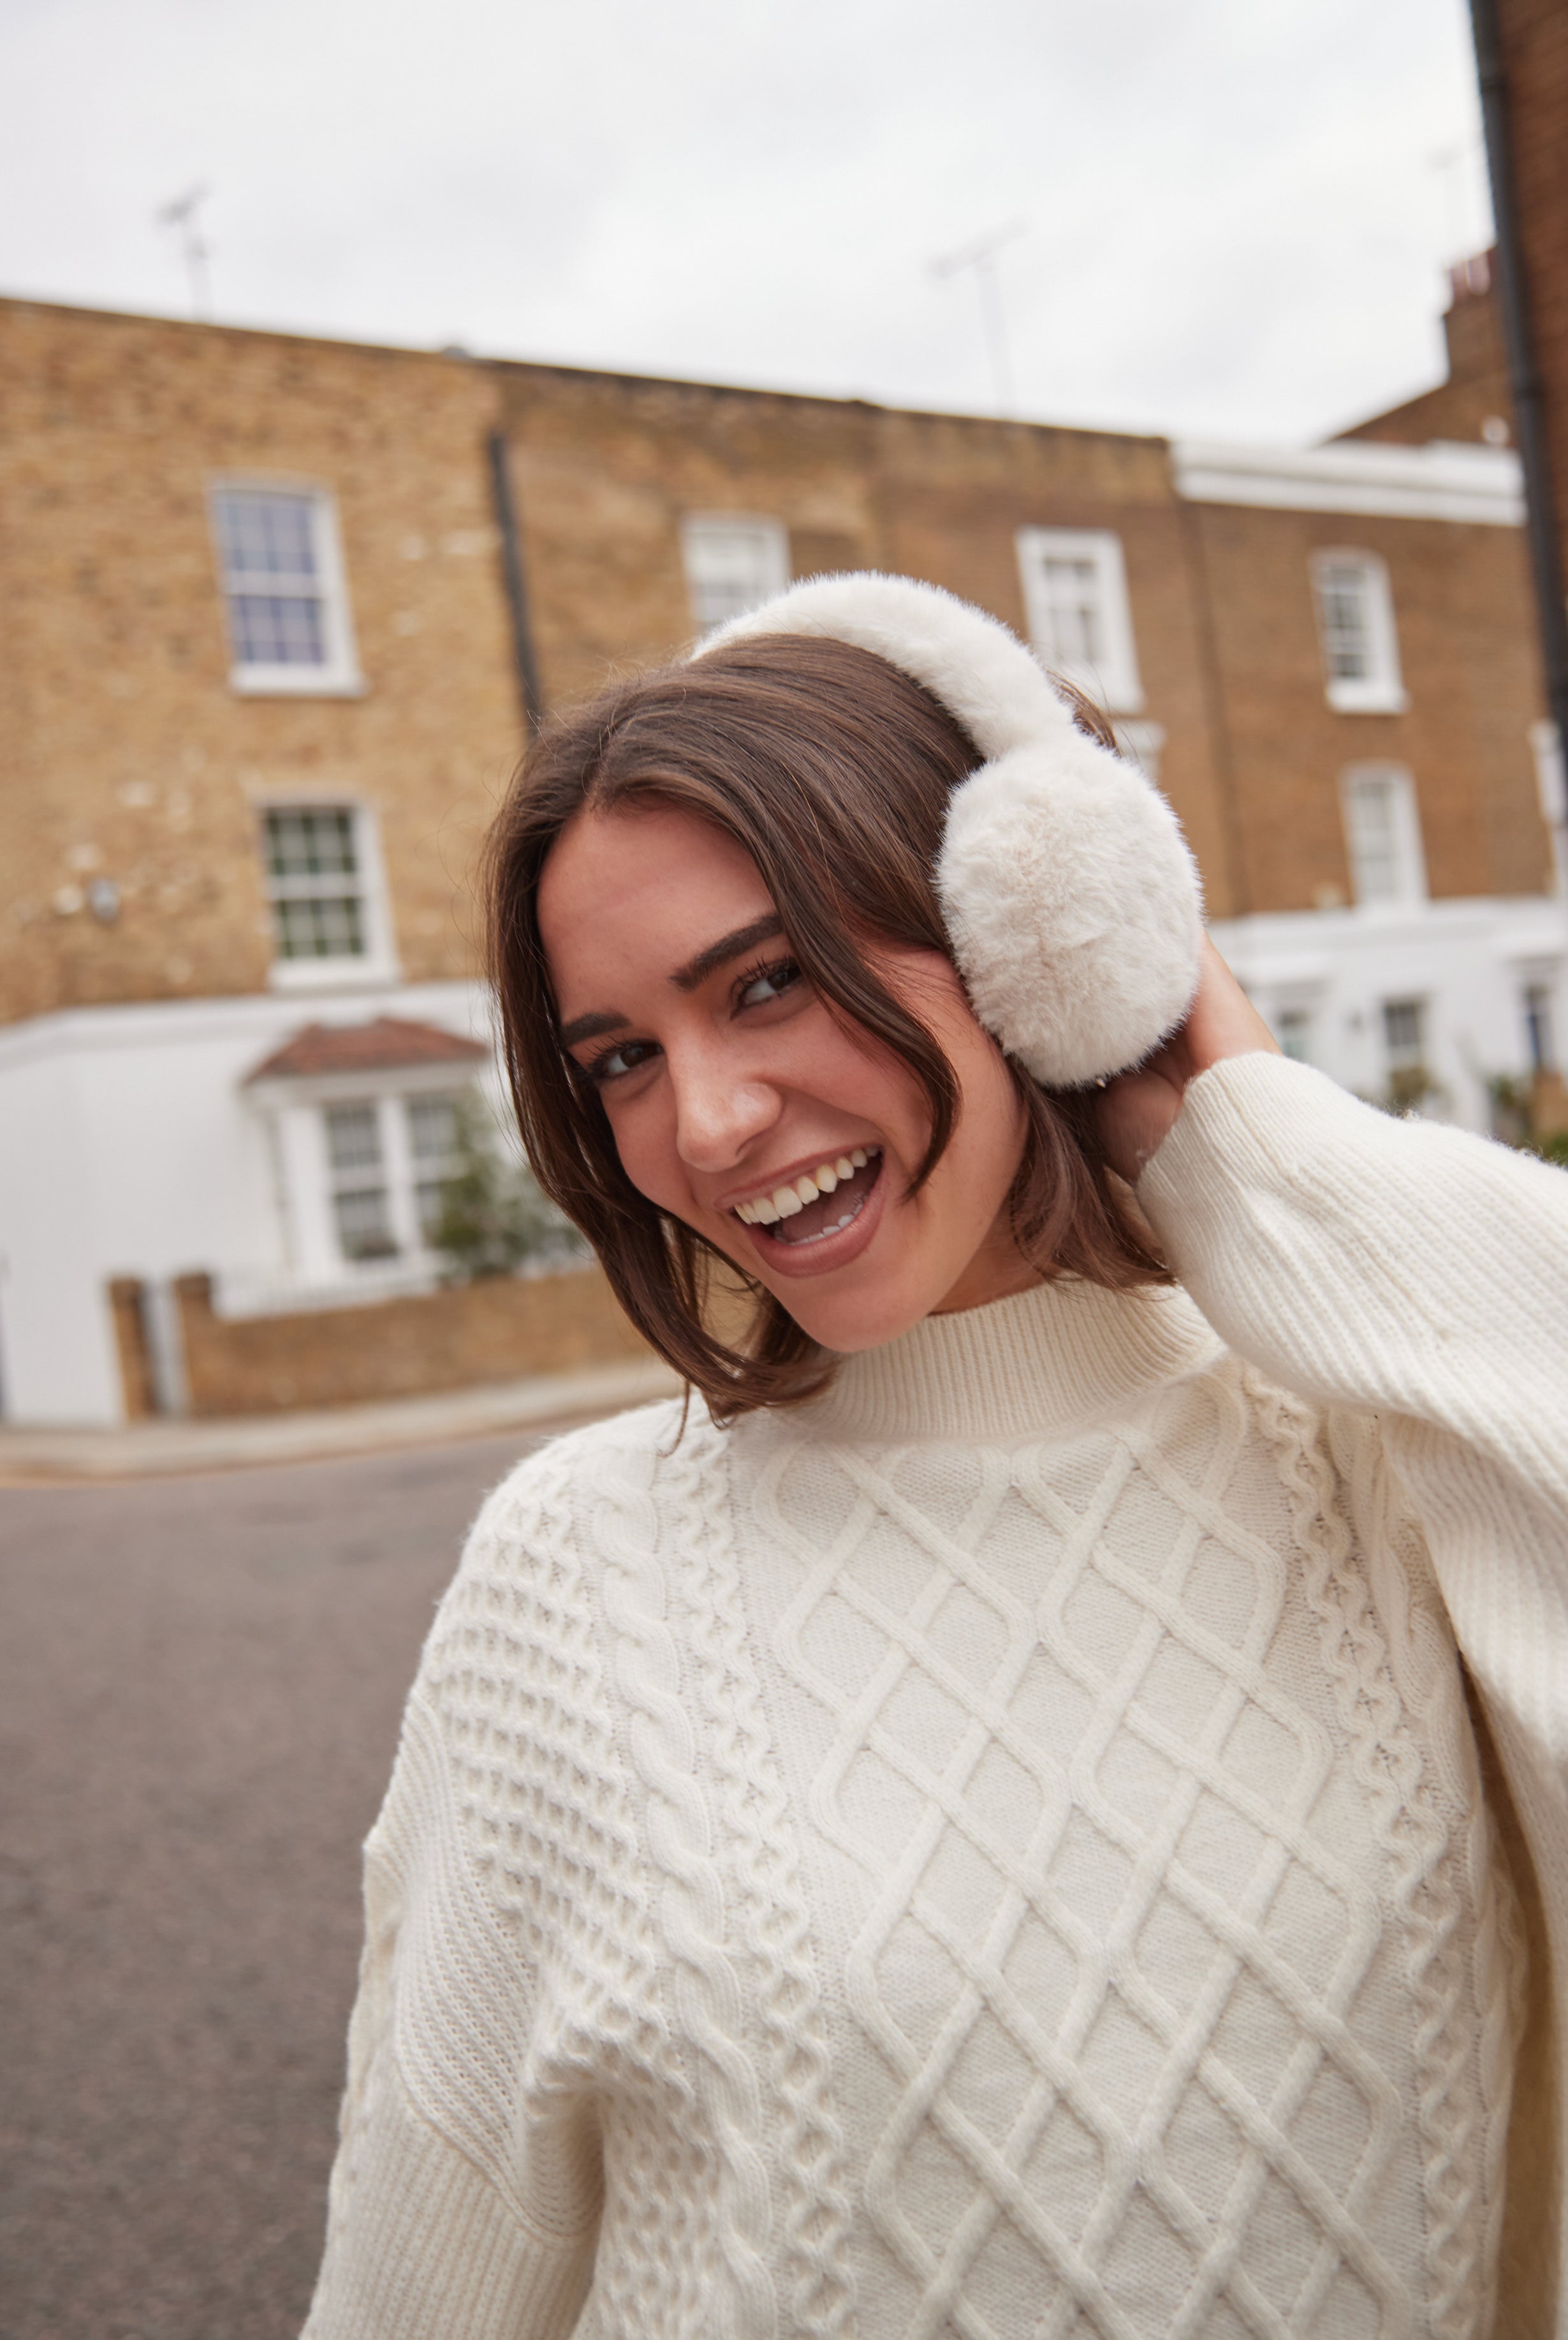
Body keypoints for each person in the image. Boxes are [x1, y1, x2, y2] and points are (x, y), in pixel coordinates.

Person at [303, 575, 1568, 2340]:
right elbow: (417, 2279)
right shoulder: (573, 1576)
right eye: (618, 1061)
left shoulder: (1382, 1455)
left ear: (1028, 940)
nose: (707, 1123)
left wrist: (1257, 1159)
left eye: (764, 982)